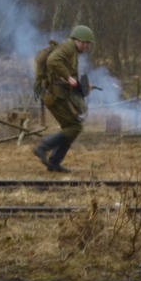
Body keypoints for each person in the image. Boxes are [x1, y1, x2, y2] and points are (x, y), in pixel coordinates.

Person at [33, 24, 95, 172]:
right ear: (79, 40)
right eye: (87, 43)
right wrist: (68, 76)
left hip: (59, 95)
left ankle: (54, 162)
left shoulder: (71, 50)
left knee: (71, 128)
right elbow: (52, 61)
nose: (87, 47)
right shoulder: (68, 48)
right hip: (55, 96)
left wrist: (77, 83)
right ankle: (43, 148)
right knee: (74, 127)